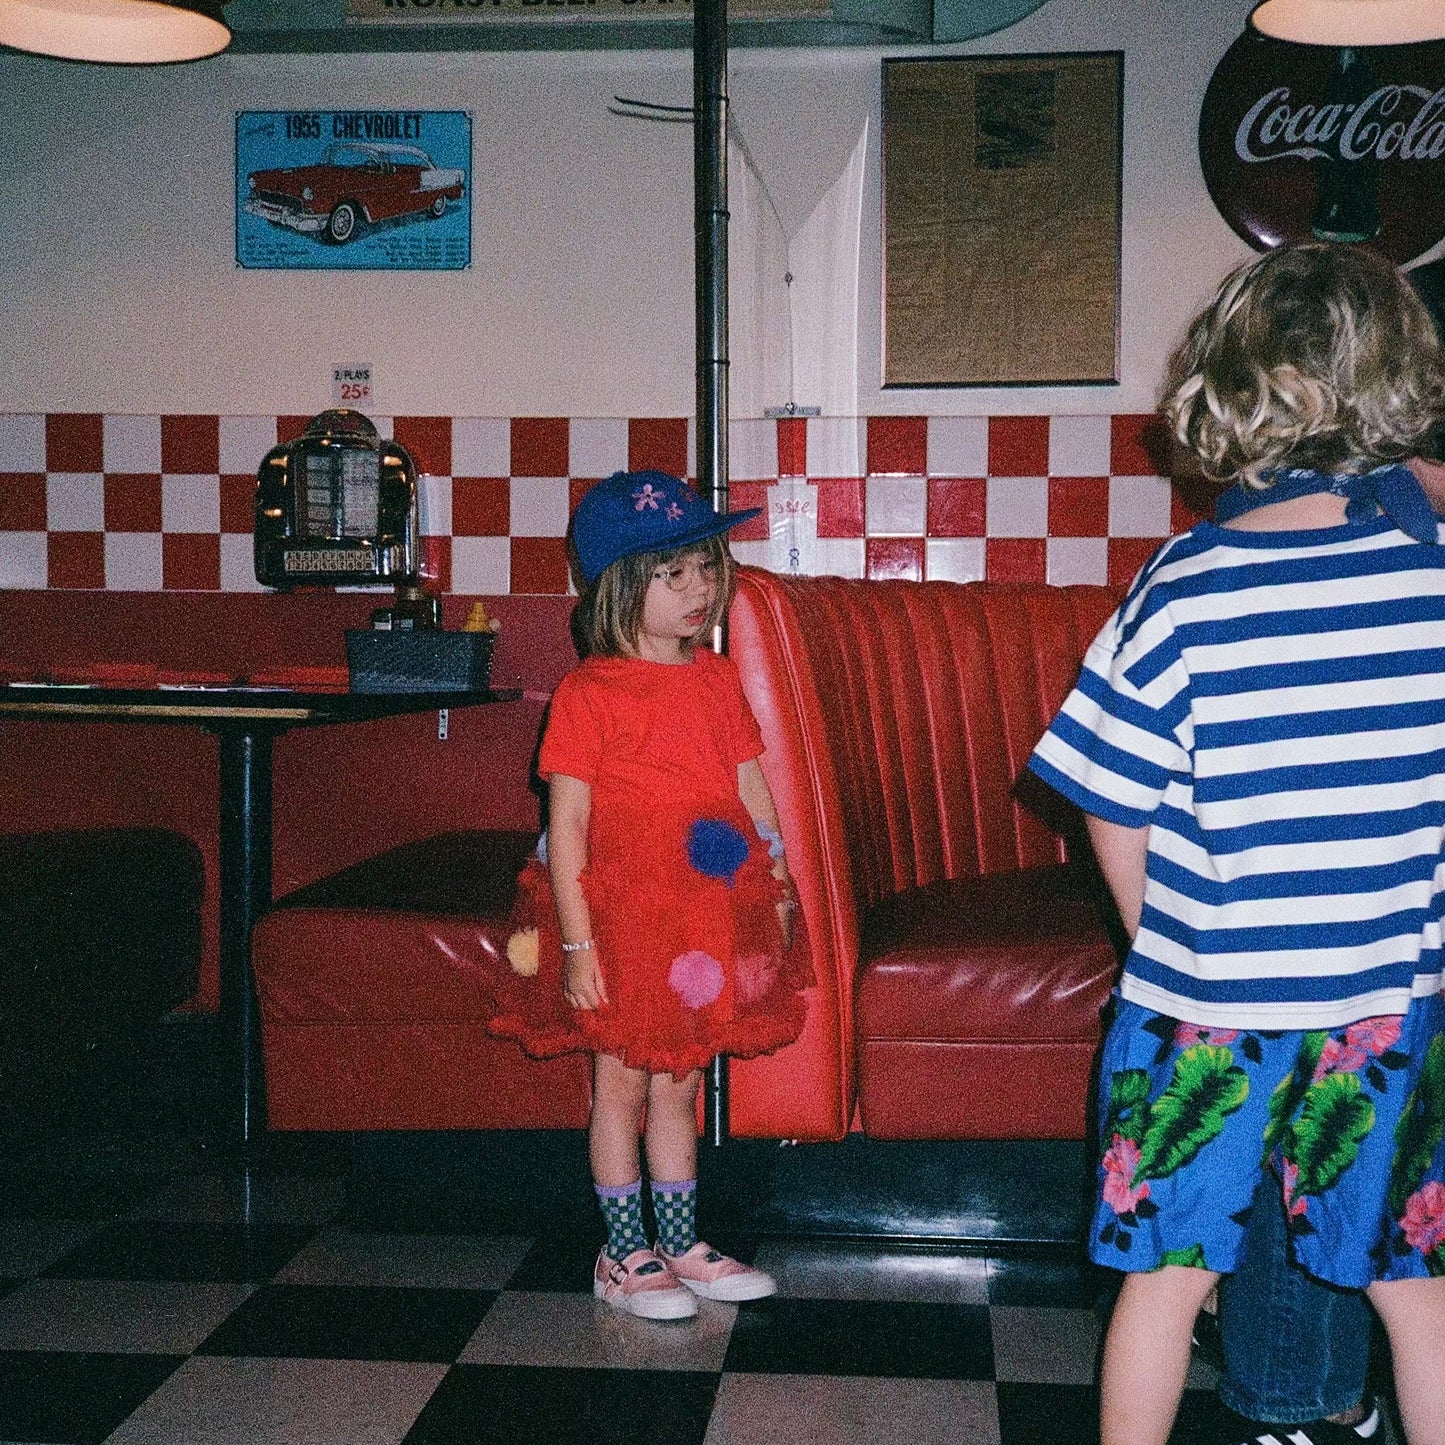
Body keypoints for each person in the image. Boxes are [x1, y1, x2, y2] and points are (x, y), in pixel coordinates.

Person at [1027, 242, 1445, 1445]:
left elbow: (1107, 794)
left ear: (1224, 386)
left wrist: (1152, 928)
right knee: (1412, 1288)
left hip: (1201, 1003)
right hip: (1382, 1001)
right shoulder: (1427, 582)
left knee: (1164, 1278)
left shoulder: (1184, 584)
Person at [487, 469, 810, 1321]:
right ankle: (621, 1253)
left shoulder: (713, 677)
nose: (699, 587)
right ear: (619, 586)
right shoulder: (588, 692)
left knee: (680, 1083)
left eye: (706, 566)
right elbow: (568, 828)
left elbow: (752, 789)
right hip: (621, 921)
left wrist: (772, 884)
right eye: (674, 573)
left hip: (699, 919)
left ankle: (678, 1243)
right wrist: (577, 944)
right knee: (621, 1084)